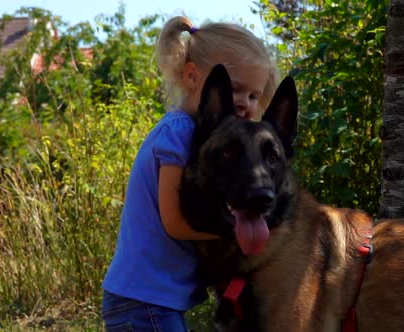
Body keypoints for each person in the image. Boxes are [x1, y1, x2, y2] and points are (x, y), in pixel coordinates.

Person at [101, 15, 278, 332]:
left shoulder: (191, 134)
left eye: (254, 96)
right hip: (145, 299)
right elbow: (174, 222)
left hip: (146, 298)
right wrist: (234, 230)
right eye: (235, 89)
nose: (246, 105)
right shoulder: (179, 132)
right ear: (193, 76)